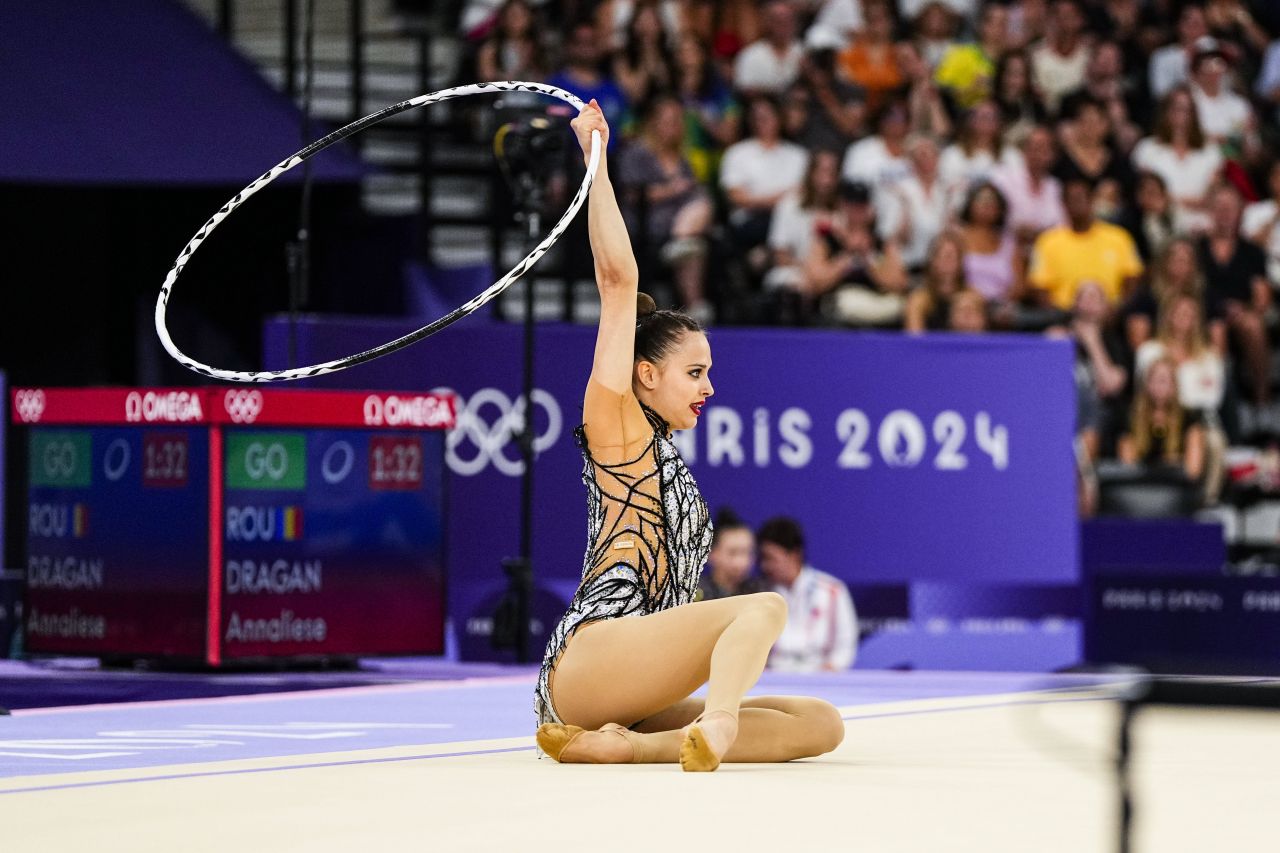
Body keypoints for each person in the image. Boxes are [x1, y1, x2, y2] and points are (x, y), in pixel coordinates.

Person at [535, 101, 845, 771]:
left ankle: (633, 746)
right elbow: (619, 282)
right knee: (761, 606)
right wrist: (596, 156)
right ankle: (720, 725)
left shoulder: (669, 458)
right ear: (645, 373)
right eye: (694, 372)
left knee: (821, 723)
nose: (708, 387)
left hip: (632, 691)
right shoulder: (615, 423)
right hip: (590, 660)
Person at [616, 95, 714, 319]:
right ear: (653, 122)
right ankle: (695, 307)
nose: (675, 127)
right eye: (669, 121)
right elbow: (632, 195)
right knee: (692, 245)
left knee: (698, 225)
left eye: (678, 121)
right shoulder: (636, 153)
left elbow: (692, 190)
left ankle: (695, 308)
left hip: (682, 220)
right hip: (648, 222)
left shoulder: (681, 157)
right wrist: (672, 189)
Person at [1197, 183, 1271, 407]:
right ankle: (1220, 402)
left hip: (1241, 312)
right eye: (1219, 207)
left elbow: (1262, 297)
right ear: (1210, 211)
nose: (1225, 213)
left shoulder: (1252, 251)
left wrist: (1244, 310)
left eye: (1230, 207)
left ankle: (1262, 396)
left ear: (1239, 212)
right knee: (1216, 328)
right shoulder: (1197, 248)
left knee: (1253, 325)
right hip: (1202, 311)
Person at [757, 517, 857, 672]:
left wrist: (829, 671)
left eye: (771, 558)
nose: (766, 566)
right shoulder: (760, 593)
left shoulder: (832, 590)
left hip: (821, 678)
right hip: (772, 677)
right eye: (763, 559)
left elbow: (845, 645)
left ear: (794, 554)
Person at [804, 180, 909, 327]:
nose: (857, 212)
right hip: (836, 311)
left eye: (861, 206)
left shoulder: (882, 243)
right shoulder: (827, 241)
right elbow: (815, 283)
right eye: (852, 206)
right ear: (843, 206)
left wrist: (868, 257)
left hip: (876, 305)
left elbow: (899, 283)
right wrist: (846, 255)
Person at [1028, 178, 1143, 310]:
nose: (1076, 204)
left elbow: (1132, 280)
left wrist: (1117, 311)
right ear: (1063, 204)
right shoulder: (1048, 241)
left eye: (1080, 198)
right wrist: (1061, 315)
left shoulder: (1119, 238)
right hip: (1063, 315)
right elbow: (1039, 287)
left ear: (1092, 200)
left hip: (1111, 315)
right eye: (1071, 199)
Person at [1117, 356, 1207, 484]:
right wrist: (1172, 461)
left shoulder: (1190, 418)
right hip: (1141, 488)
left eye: (1164, 380)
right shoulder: (1131, 416)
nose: (1158, 386)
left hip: (1177, 489)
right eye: (1154, 380)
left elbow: (1193, 470)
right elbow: (1127, 464)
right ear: (1146, 384)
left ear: (1174, 385)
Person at [991, 125, 1066, 244]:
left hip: (1045, 249)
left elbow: (1061, 225)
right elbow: (992, 215)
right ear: (1024, 150)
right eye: (1032, 147)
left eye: (1043, 149)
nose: (1036, 154)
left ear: (1053, 155)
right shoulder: (1003, 177)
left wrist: (1040, 234)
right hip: (1006, 245)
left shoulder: (1055, 187)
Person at [732, 0, 804, 96]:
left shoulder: (803, 52)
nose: (785, 26)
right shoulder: (750, 55)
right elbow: (745, 91)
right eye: (779, 21)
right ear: (767, 22)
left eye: (789, 20)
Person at [904, 230, 968, 332]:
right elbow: (915, 340)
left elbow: (978, 341)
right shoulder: (918, 301)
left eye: (952, 257)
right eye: (944, 256)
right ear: (932, 261)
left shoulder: (971, 298)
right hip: (928, 347)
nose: (948, 263)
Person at [698, 509, 767, 600]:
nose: (742, 561)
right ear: (711, 553)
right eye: (733, 553)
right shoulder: (695, 593)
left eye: (747, 552)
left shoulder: (760, 592)